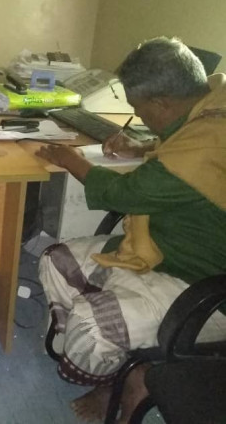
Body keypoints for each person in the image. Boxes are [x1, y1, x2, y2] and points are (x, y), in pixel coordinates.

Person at [35, 37, 226, 423]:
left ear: (162, 103)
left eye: (138, 109)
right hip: (163, 247)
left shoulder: (203, 148)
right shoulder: (209, 105)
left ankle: (119, 381)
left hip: (201, 285)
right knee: (55, 260)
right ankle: (118, 356)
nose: (137, 116)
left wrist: (71, 159)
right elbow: (178, 149)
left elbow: (122, 193)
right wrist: (142, 149)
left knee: (91, 324)